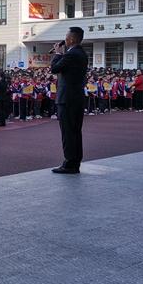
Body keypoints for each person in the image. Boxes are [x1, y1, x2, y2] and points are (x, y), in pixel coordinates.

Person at [50, 27, 88, 174]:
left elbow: (54, 68)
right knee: (75, 132)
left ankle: (69, 163)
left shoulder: (72, 54)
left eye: (66, 37)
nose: (64, 40)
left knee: (68, 132)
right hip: (76, 98)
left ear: (71, 39)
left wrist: (58, 54)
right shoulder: (80, 53)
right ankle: (74, 161)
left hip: (67, 99)